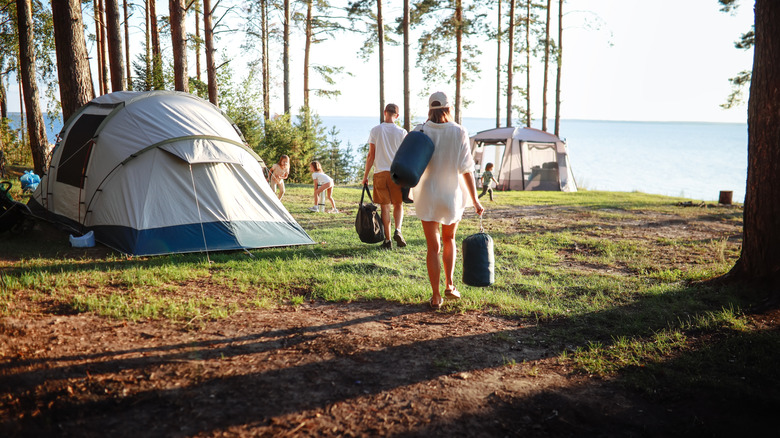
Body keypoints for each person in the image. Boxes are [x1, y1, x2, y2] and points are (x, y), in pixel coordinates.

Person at [412, 91, 484, 309]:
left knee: (432, 247)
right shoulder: (459, 131)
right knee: (449, 239)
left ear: (429, 108)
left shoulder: (420, 130)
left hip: (426, 194)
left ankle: (435, 296)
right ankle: (450, 285)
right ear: (448, 108)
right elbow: (466, 170)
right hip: (451, 195)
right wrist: (476, 200)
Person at [362, 103, 408, 250]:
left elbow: (371, 155)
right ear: (397, 115)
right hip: (397, 173)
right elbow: (406, 154)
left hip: (380, 173)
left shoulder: (375, 130)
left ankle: (388, 241)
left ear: (384, 113)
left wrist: (365, 176)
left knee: (385, 207)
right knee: (398, 204)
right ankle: (398, 230)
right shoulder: (402, 132)